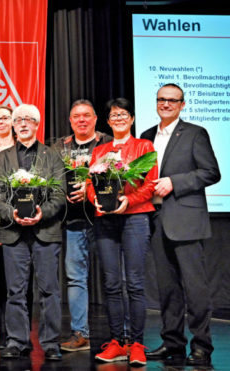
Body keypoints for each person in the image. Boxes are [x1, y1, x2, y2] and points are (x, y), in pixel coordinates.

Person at [142, 83, 220, 366]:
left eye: (172, 100)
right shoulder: (146, 136)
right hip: (157, 220)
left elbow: (211, 172)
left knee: (195, 288)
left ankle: (202, 347)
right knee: (168, 289)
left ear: (182, 104)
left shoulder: (195, 133)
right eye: (161, 99)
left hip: (186, 220)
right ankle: (172, 343)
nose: (166, 104)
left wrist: (175, 182)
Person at [86, 98, 157, 367]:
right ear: (107, 121)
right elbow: (90, 183)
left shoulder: (144, 147)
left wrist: (131, 200)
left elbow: (150, 184)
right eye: (113, 115)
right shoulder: (100, 150)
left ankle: (137, 344)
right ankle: (117, 342)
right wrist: (94, 199)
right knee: (112, 284)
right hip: (105, 220)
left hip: (135, 218)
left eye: (123, 114)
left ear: (132, 119)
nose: (118, 118)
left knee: (135, 284)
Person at [0, 103, 65, 362]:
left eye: (29, 119)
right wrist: (10, 213)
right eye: (18, 119)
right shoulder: (2, 157)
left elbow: (59, 193)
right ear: (13, 125)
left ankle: (51, 343)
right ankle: (17, 341)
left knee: (49, 290)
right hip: (13, 233)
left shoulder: (52, 155)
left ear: (36, 124)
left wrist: (41, 212)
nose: (23, 123)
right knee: (15, 291)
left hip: (46, 230)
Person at [52, 100, 111, 352]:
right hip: (73, 221)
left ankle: (125, 337)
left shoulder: (108, 142)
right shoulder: (59, 146)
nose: (82, 120)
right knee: (75, 278)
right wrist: (62, 191)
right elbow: (49, 177)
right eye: (77, 116)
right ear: (70, 120)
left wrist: (89, 189)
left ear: (96, 119)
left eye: (87, 115)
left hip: (106, 219)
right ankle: (81, 334)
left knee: (114, 278)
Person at [0, 105, 20, 350]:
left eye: (5, 118)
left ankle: (18, 332)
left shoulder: (22, 150)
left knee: (18, 282)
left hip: (19, 220)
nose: (1, 122)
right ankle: (3, 331)